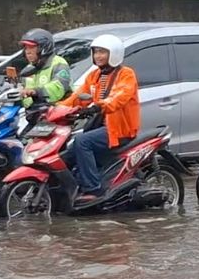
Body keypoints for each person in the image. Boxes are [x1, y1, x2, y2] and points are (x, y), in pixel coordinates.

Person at [58, 34, 139, 202]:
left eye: (103, 52)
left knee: (82, 141)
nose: (98, 56)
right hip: (99, 128)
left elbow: (119, 96)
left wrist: (99, 105)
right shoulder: (94, 76)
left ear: (114, 54)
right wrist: (55, 108)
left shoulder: (126, 74)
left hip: (119, 130)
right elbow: (77, 97)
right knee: (67, 153)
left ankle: (94, 190)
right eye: (96, 52)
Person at [18, 28, 72, 108]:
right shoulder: (29, 68)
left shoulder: (58, 63)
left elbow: (58, 88)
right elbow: (23, 91)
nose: (27, 51)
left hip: (58, 112)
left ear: (44, 48)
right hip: (34, 113)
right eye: (26, 48)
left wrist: (36, 92)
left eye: (31, 47)